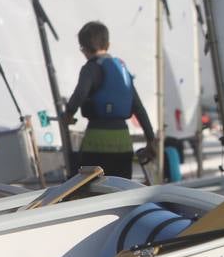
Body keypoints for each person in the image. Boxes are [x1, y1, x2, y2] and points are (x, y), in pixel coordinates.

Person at [62, 21, 155, 179]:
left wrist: (68, 114)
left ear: (83, 48)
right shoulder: (122, 70)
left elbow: (80, 93)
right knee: (120, 194)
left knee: (91, 194)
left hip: (96, 144)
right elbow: (139, 108)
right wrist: (150, 140)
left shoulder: (90, 68)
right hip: (123, 144)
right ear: (108, 44)